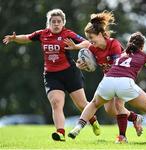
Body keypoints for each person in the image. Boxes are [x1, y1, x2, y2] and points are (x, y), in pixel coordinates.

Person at [3, 8, 100, 142]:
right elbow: (26, 38)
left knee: (82, 104)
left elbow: (87, 43)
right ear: (49, 23)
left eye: (58, 22)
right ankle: (60, 133)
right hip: (51, 75)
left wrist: (76, 47)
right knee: (56, 103)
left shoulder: (67, 34)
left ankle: (93, 120)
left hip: (70, 73)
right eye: (53, 21)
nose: (56, 24)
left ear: (63, 23)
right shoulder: (42, 34)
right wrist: (14, 38)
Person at [68, 31, 146, 145]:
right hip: (125, 82)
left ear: (128, 44)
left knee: (95, 104)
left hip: (108, 80)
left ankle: (79, 126)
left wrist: (78, 50)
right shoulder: (144, 55)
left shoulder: (122, 54)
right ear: (142, 46)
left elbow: (89, 46)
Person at [65, 11, 143, 143]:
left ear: (101, 34)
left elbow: (117, 67)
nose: (90, 41)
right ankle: (135, 118)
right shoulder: (94, 47)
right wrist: (80, 60)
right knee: (111, 111)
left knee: (117, 105)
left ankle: (122, 137)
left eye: (91, 37)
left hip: (123, 76)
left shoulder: (114, 44)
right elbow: (86, 45)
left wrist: (92, 64)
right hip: (109, 78)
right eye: (88, 38)